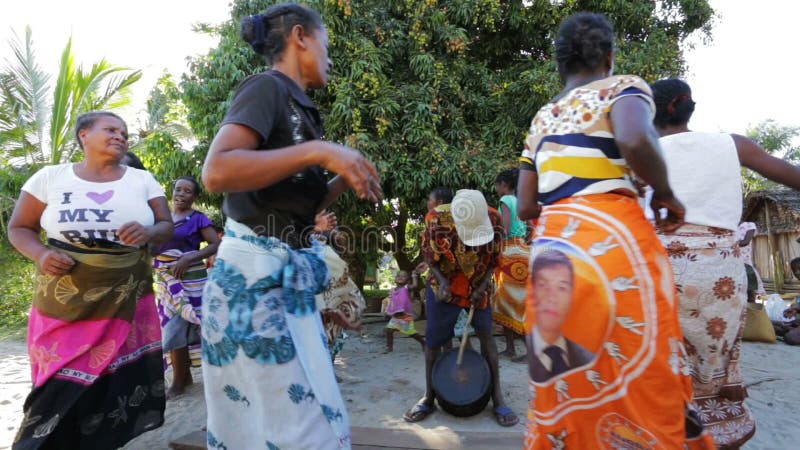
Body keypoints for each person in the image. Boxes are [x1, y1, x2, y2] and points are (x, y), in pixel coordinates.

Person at [516, 13, 715, 449]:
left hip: (552, 255)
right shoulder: (622, 87)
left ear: (559, 64)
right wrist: (665, 193)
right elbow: (635, 139)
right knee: (645, 369)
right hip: (614, 242)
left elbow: (527, 203)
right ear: (609, 56)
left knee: (567, 373)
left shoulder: (542, 118)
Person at [199, 4, 382, 449]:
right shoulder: (266, 88)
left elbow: (295, 208)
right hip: (250, 287)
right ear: (300, 36)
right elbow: (217, 172)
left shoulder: (302, 110)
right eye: (327, 45)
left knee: (294, 423)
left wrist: (343, 178)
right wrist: (319, 152)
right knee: (296, 430)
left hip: (282, 288)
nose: (331, 59)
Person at [7, 111, 173, 449]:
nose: (120, 136)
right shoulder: (50, 177)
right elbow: (20, 228)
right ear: (84, 135)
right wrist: (41, 254)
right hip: (63, 306)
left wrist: (148, 231)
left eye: (124, 132)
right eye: (110, 129)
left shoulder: (142, 180)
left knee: (108, 389)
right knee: (55, 386)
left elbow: (166, 226)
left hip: (124, 303)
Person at [650, 77, 800, 448]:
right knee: (712, 360)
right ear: (688, 107)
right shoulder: (732, 145)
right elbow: (791, 175)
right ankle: (715, 430)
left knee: (660, 359)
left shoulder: (639, 153)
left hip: (660, 268)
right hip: (721, 270)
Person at [404, 189, 518, 427]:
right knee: (434, 342)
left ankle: (498, 398)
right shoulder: (436, 220)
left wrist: (482, 286)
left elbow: (495, 260)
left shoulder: (495, 219)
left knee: (487, 338)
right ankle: (428, 397)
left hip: (478, 286)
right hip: (445, 286)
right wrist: (443, 282)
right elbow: (430, 259)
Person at [152, 176, 220, 399]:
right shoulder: (161, 218)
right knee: (173, 323)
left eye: (187, 191)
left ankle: (179, 381)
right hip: (166, 282)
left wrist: (188, 258)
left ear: (195, 197)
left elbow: (215, 245)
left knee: (181, 326)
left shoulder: (198, 219)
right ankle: (184, 376)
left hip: (191, 281)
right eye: (178, 189)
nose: (181, 194)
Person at [527, 249, 595, 383]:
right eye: (543, 285)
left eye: (561, 288)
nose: (551, 297)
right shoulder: (529, 348)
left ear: (572, 296)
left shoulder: (588, 360)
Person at [313, 210, 365, 361]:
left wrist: (334, 234)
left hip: (331, 293)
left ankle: (329, 367)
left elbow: (342, 247)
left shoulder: (326, 230)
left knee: (332, 335)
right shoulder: (303, 229)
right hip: (317, 297)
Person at [491, 168, 529, 362]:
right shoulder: (521, 201)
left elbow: (504, 230)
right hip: (522, 251)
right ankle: (511, 348)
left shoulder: (505, 201)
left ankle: (520, 349)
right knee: (516, 301)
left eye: (497, 185)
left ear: (504, 185)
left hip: (509, 252)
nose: (496, 189)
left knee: (508, 302)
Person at [384, 269, 426, 353]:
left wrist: (414, 275)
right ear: (395, 279)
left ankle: (424, 342)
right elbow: (392, 303)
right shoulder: (392, 290)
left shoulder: (406, 288)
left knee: (411, 333)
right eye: (398, 275)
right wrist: (388, 313)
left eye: (403, 276)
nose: (400, 277)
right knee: (389, 330)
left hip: (405, 315)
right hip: (396, 316)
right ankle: (389, 348)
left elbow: (414, 285)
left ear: (407, 281)